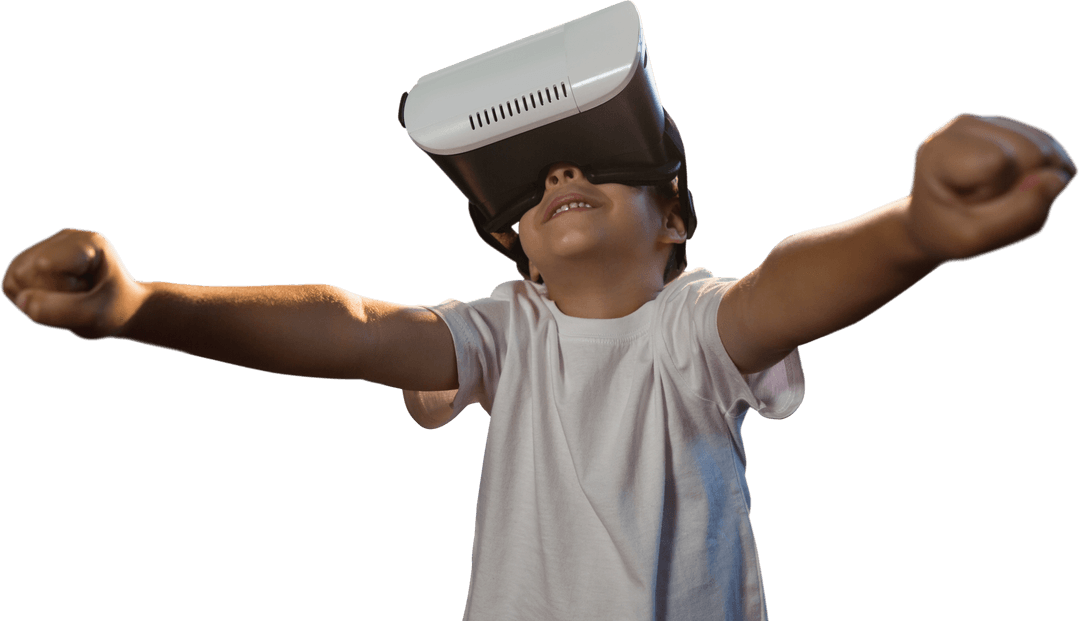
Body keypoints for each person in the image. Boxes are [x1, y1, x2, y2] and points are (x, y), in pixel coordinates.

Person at [3, 113, 1075, 620]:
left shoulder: (690, 331)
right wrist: (140, 308)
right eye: (529, 178)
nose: (563, 170)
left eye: (605, 159)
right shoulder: (502, 336)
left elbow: (789, 286)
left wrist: (919, 227)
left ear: (676, 219)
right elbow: (357, 326)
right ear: (511, 238)